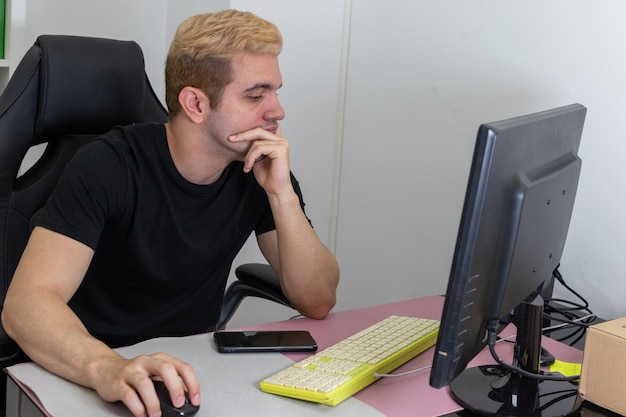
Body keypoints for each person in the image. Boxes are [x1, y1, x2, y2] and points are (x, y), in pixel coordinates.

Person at [1, 9, 339, 417]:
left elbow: (318, 300)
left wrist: (282, 196)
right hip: (91, 369)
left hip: (190, 371)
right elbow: (26, 304)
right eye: (256, 95)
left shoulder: (260, 170)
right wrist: (108, 367)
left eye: (276, 92)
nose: (277, 111)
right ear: (195, 103)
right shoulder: (108, 164)